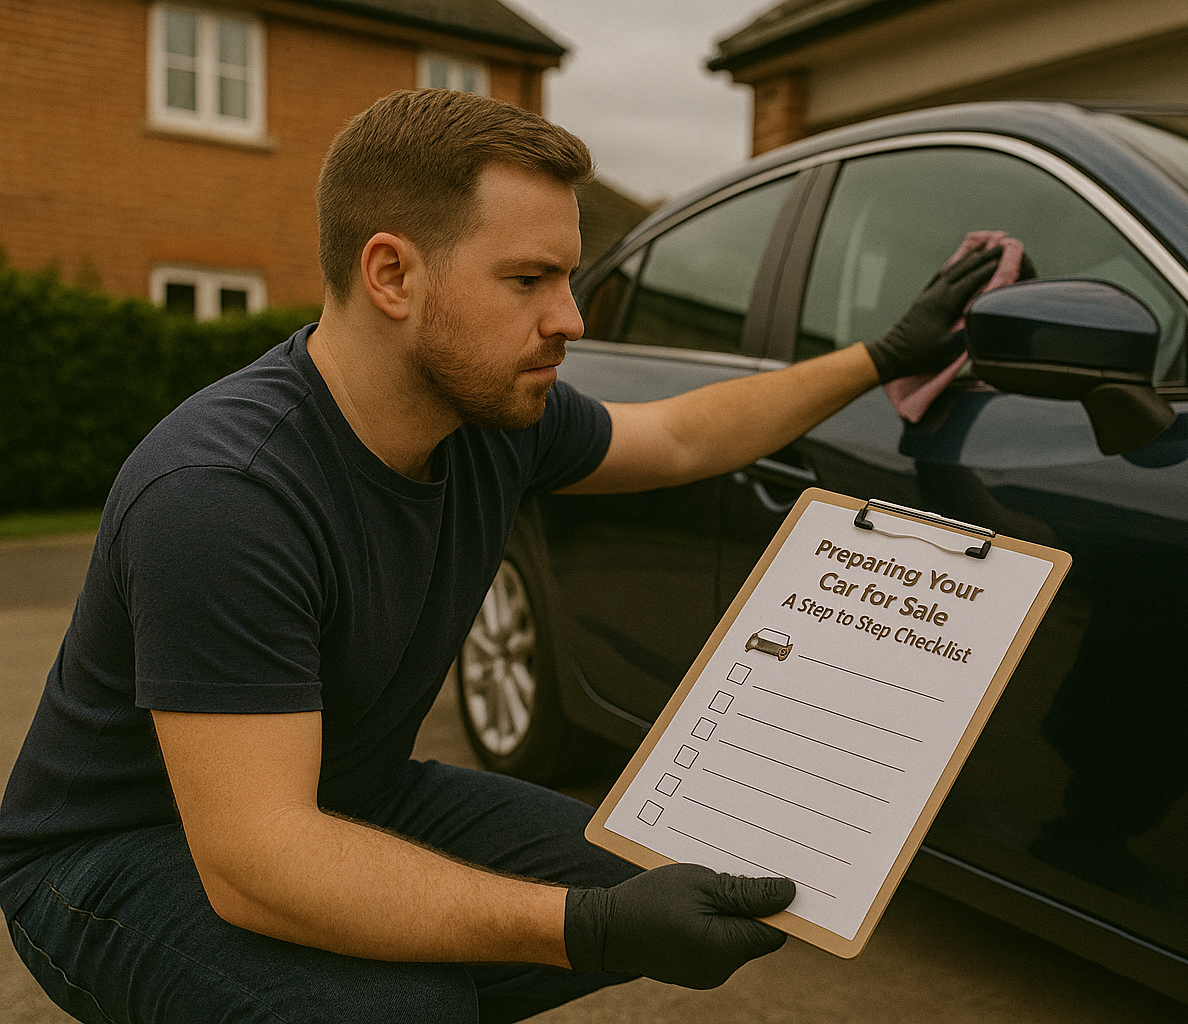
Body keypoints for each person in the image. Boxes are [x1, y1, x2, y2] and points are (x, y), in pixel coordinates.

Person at [0, 89, 1001, 1023]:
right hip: (111, 858)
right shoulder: (223, 494)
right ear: (391, 273)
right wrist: (585, 932)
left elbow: (686, 438)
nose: (569, 317)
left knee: (652, 877)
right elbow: (260, 860)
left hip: (349, 792)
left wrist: (882, 356)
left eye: (565, 275)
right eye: (529, 279)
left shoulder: (492, 419)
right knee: (414, 1004)